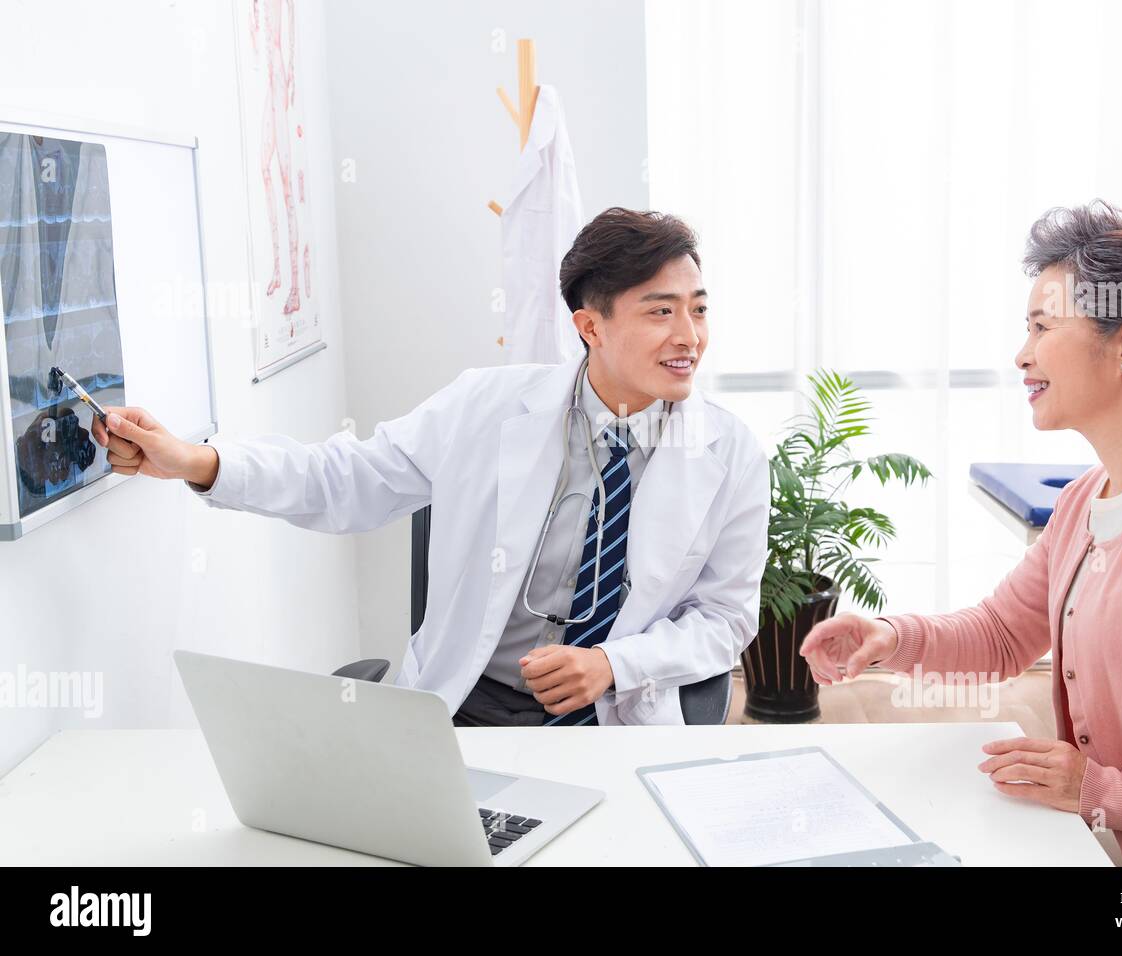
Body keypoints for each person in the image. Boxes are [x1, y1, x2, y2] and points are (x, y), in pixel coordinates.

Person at [92, 208, 769, 726]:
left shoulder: (732, 456)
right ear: (590, 327)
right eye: (661, 312)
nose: (689, 337)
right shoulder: (485, 407)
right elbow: (347, 479)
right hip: (467, 704)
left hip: (611, 711)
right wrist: (196, 461)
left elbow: (726, 618)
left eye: (698, 310)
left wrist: (613, 664)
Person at [802, 201, 1122, 866]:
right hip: (1114, 847)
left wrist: (1104, 792)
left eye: (1042, 327)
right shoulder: (1087, 498)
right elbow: (1002, 635)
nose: (1022, 354)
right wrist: (891, 637)